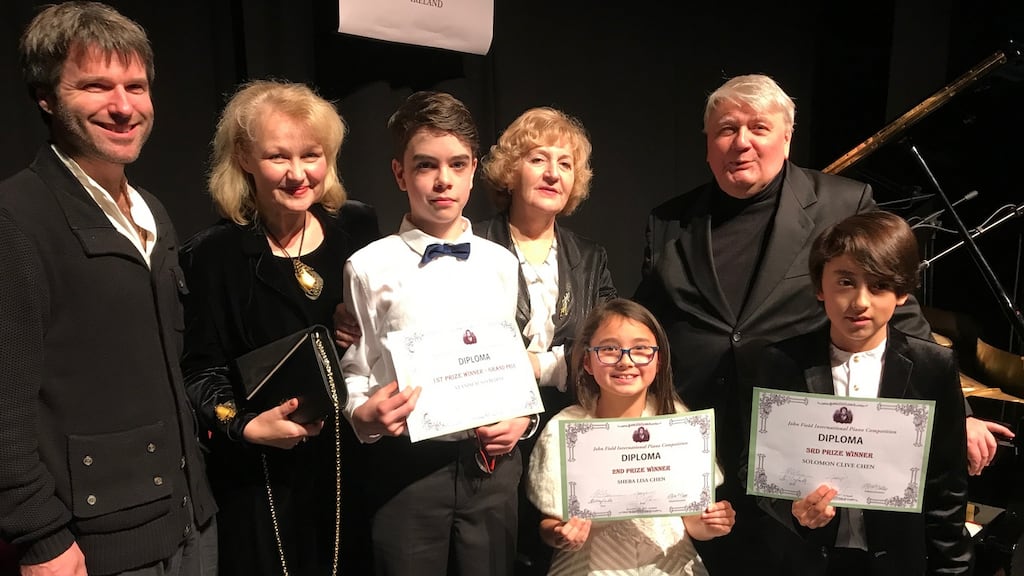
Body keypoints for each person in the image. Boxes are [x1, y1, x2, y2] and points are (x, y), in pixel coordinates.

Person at [634, 73, 1008, 574]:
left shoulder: (841, 202)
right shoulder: (670, 220)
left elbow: (903, 312)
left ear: (786, 137)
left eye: (758, 127)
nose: (741, 142)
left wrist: (952, 413)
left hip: (798, 442)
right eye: (725, 129)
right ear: (707, 143)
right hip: (701, 437)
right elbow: (645, 327)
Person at [0, 3, 216, 575]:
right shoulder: (15, 218)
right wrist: (38, 534)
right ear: (46, 97)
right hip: (89, 550)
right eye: (96, 86)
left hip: (191, 525)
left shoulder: (155, 214)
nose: (123, 106)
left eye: (136, 86)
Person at [180, 80, 379, 576]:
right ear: (244, 158)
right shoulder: (212, 255)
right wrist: (245, 425)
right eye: (277, 157)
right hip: (261, 479)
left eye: (312, 155)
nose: (298, 175)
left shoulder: (358, 230)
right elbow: (199, 371)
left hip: (352, 466)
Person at [341, 90, 534, 576]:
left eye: (457, 164)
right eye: (426, 165)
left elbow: (511, 364)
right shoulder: (368, 266)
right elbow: (357, 367)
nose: (442, 180)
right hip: (406, 471)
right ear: (399, 173)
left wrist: (522, 421)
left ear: (474, 171)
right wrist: (362, 416)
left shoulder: (502, 263)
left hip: (490, 469)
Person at [755, 211, 972, 574]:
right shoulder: (780, 363)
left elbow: (946, 485)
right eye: (844, 282)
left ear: (901, 292)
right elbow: (756, 467)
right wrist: (791, 508)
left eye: (878, 285)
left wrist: (953, 569)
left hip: (896, 562)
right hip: (807, 560)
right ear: (819, 287)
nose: (860, 301)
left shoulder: (933, 366)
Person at [477, 106, 616, 574]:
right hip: (488, 438)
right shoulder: (471, 244)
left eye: (565, 163)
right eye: (538, 159)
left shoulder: (591, 258)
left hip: (567, 435)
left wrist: (536, 367)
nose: (553, 173)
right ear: (511, 170)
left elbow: (608, 348)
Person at [527, 298, 735, 575]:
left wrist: (711, 524)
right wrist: (562, 534)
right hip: (590, 565)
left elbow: (693, 522)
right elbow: (549, 524)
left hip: (668, 562)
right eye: (610, 349)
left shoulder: (679, 424)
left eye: (640, 349)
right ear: (588, 361)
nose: (625, 361)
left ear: (658, 360)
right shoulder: (565, 429)